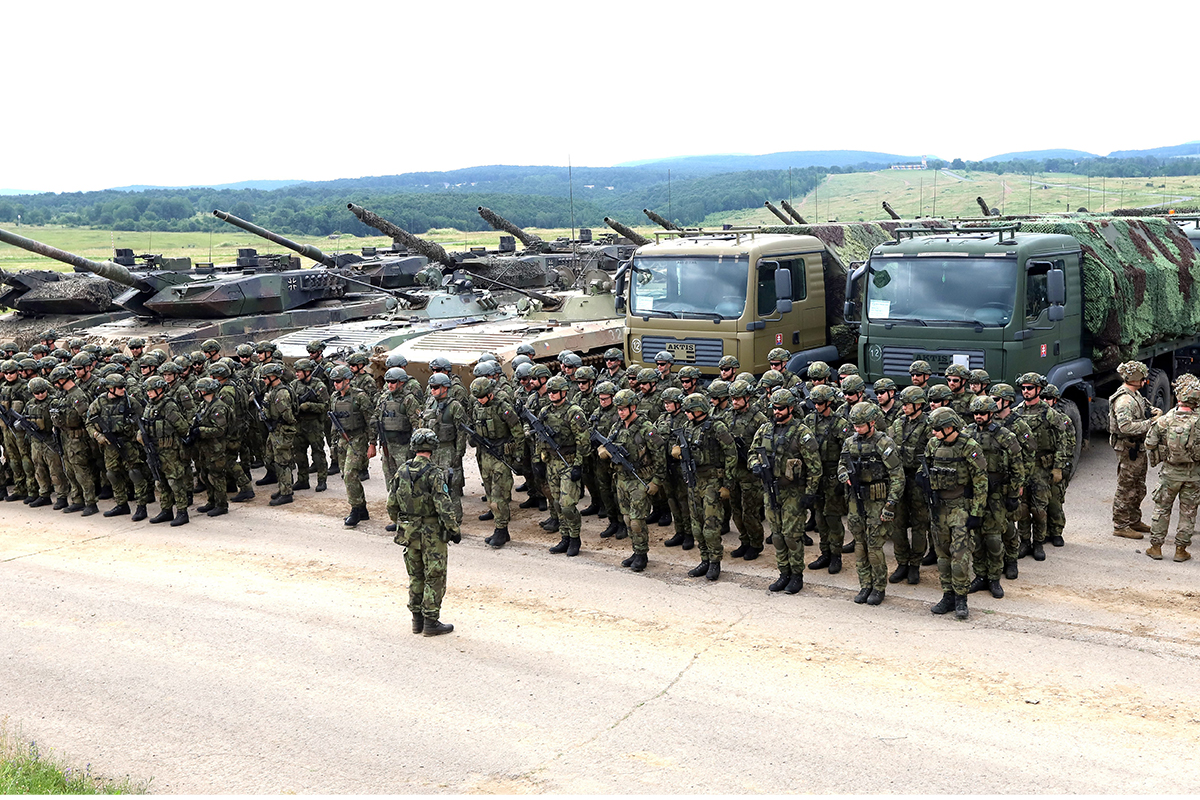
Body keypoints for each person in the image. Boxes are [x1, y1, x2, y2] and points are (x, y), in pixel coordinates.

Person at [750, 389, 821, 594]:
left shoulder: (802, 432)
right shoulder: (764, 429)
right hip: (770, 488)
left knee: (792, 536)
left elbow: (815, 466)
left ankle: (796, 575)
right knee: (777, 535)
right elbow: (752, 452)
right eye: (774, 407)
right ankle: (783, 573)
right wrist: (755, 464)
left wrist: (810, 493)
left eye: (781, 408)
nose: (777, 411)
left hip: (793, 491)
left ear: (791, 408)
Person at [392, 428, 460, 637]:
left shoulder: (401, 471)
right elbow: (443, 505)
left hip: (409, 532)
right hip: (432, 533)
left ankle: (417, 620)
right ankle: (431, 621)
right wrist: (454, 529)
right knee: (435, 575)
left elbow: (391, 505)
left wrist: (405, 522)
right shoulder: (434, 473)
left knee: (416, 575)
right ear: (432, 448)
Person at [924, 407, 988, 620]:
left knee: (959, 554)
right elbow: (924, 466)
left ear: (949, 427)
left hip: (960, 506)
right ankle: (947, 595)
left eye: (937, 429)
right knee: (942, 554)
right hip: (938, 506)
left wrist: (977, 512)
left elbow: (980, 480)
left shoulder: (969, 446)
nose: (933, 433)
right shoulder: (933, 444)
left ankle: (961, 598)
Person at [838, 402, 904, 606]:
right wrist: (844, 476)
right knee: (860, 544)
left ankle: (878, 587)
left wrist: (890, 504)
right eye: (855, 426)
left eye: (860, 426)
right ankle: (864, 584)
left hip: (877, 501)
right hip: (856, 500)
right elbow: (841, 464)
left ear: (872, 423)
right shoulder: (850, 442)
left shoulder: (884, 443)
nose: (857, 430)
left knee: (875, 546)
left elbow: (897, 476)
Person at [964, 395, 1024, 598]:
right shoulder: (967, 433)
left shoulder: (1005, 435)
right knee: (976, 537)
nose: (978, 416)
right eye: (975, 413)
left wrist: (1014, 493)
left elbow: (1018, 466)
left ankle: (995, 577)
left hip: (998, 493)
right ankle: (980, 575)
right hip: (975, 493)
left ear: (991, 413)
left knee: (994, 538)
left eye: (982, 413)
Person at [676, 392, 737, 581]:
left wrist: (727, 484)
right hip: (694, 480)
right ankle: (704, 559)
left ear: (697, 410)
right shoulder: (687, 427)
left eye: (688, 410)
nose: (685, 414)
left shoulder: (716, 427)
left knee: (711, 525)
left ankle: (715, 561)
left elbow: (731, 454)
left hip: (711, 480)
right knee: (696, 524)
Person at [603, 389, 665, 572]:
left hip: (640, 479)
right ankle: (636, 550)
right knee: (627, 518)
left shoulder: (647, 429)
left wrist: (657, 481)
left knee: (637, 521)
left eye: (623, 409)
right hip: (622, 479)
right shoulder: (617, 427)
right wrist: (604, 451)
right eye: (618, 409)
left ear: (633, 407)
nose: (620, 412)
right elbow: (608, 444)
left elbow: (660, 456)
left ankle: (642, 554)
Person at [1143, 380, 1200, 562]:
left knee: (1161, 509)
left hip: (1169, 473)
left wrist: (1162, 454)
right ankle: (1180, 550)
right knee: (1188, 512)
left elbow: (1149, 443)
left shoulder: (1165, 420)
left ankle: (1156, 547)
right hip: (1193, 475)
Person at [467, 376, 524, 549]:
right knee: (490, 493)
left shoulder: (503, 408)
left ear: (490, 394)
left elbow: (518, 432)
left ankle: (501, 528)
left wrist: (518, 456)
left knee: (499, 495)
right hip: (485, 456)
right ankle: (501, 530)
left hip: (500, 455)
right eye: (477, 397)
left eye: (482, 396)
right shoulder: (477, 407)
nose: (479, 400)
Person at [536, 375, 590, 556]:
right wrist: (540, 459)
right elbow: (540, 437)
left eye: (555, 392)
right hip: (552, 462)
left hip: (569, 461)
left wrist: (578, 465)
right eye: (549, 392)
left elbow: (583, 441)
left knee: (567, 505)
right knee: (557, 503)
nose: (551, 395)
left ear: (564, 392)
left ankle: (575, 537)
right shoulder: (544, 412)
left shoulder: (574, 412)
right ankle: (564, 537)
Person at [1109, 361, 1160, 539]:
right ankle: (1121, 524)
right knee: (1126, 487)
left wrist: (1154, 412)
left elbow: (1145, 408)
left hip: (1137, 448)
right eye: (1143, 378)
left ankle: (1134, 520)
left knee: (1138, 486)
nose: (1145, 381)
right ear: (1136, 379)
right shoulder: (1124, 400)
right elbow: (1126, 427)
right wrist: (1151, 423)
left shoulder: (1135, 394)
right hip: (1128, 448)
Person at [887, 385, 930, 585]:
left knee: (920, 524)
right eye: (903, 404)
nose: (904, 407)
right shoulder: (897, 423)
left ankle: (915, 565)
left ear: (919, 405)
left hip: (918, 480)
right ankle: (902, 562)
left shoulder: (929, 425)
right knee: (897, 523)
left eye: (908, 404)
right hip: (898, 477)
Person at [140, 375, 192, 526]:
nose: (149, 393)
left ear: (160, 389)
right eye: (147, 390)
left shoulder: (168, 405)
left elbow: (182, 427)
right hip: (154, 449)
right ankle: (166, 509)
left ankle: (182, 511)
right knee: (160, 481)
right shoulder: (150, 405)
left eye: (151, 390)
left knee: (174, 481)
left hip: (170, 450)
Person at [329, 364, 374, 527]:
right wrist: (333, 443)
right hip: (342, 439)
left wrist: (372, 444)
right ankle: (361, 508)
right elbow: (334, 422)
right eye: (334, 381)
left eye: (339, 381)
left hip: (357, 438)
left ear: (348, 380)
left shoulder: (360, 397)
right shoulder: (334, 397)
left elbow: (371, 421)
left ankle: (355, 509)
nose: (336, 384)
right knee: (347, 475)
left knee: (349, 473)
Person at [193, 377, 232, 519]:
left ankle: (221, 504)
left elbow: (220, 429)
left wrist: (201, 431)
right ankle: (211, 500)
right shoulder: (204, 405)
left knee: (216, 476)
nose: (198, 392)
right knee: (204, 475)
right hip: (204, 447)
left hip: (216, 447)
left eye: (200, 390)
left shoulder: (219, 407)